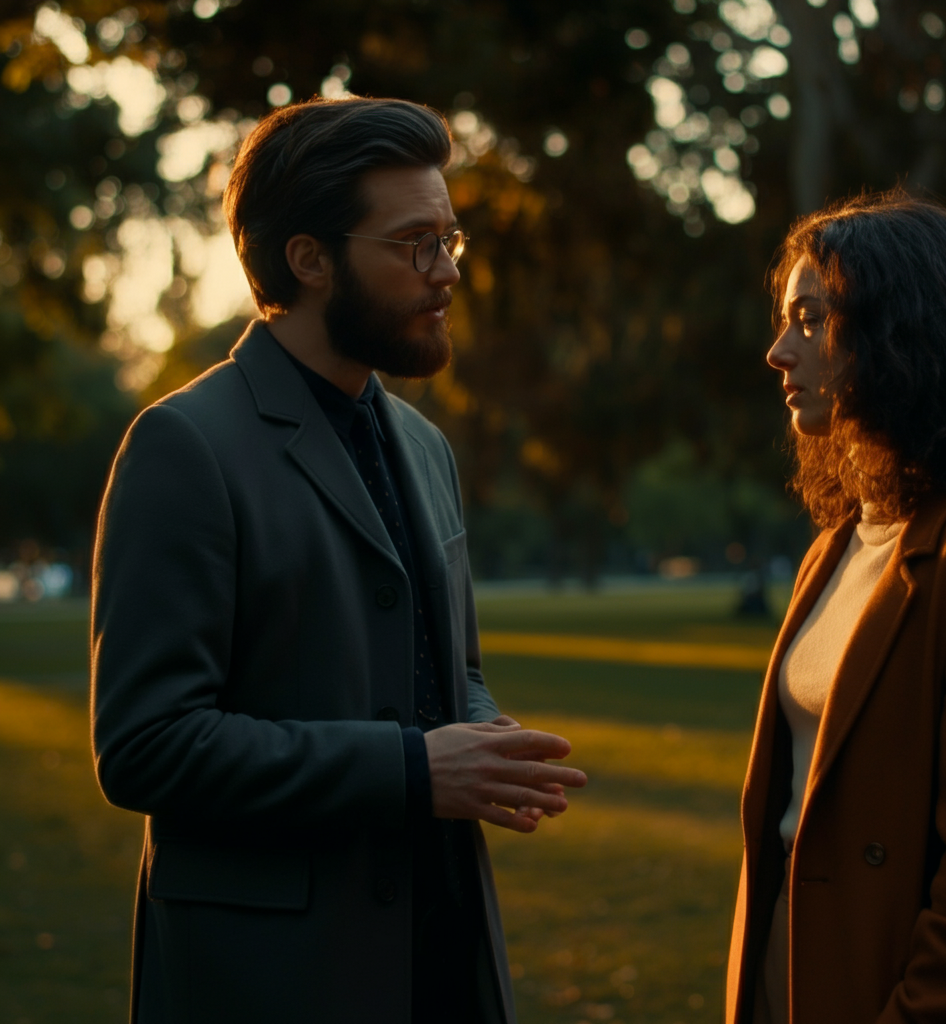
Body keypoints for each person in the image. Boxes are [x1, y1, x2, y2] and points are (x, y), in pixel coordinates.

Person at [90, 97, 587, 1024]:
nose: (447, 273)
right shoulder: (181, 446)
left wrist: (483, 739)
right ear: (310, 260)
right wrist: (411, 769)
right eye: (414, 245)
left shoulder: (424, 445)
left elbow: (450, 672)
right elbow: (145, 749)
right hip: (272, 977)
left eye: (451, 238)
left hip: (440, 954)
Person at [725, 190, 946, 1024]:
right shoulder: (839, 541)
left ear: (903, 332)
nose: (779, 351)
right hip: (789, 959)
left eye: (811, 320)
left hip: (897, 982)